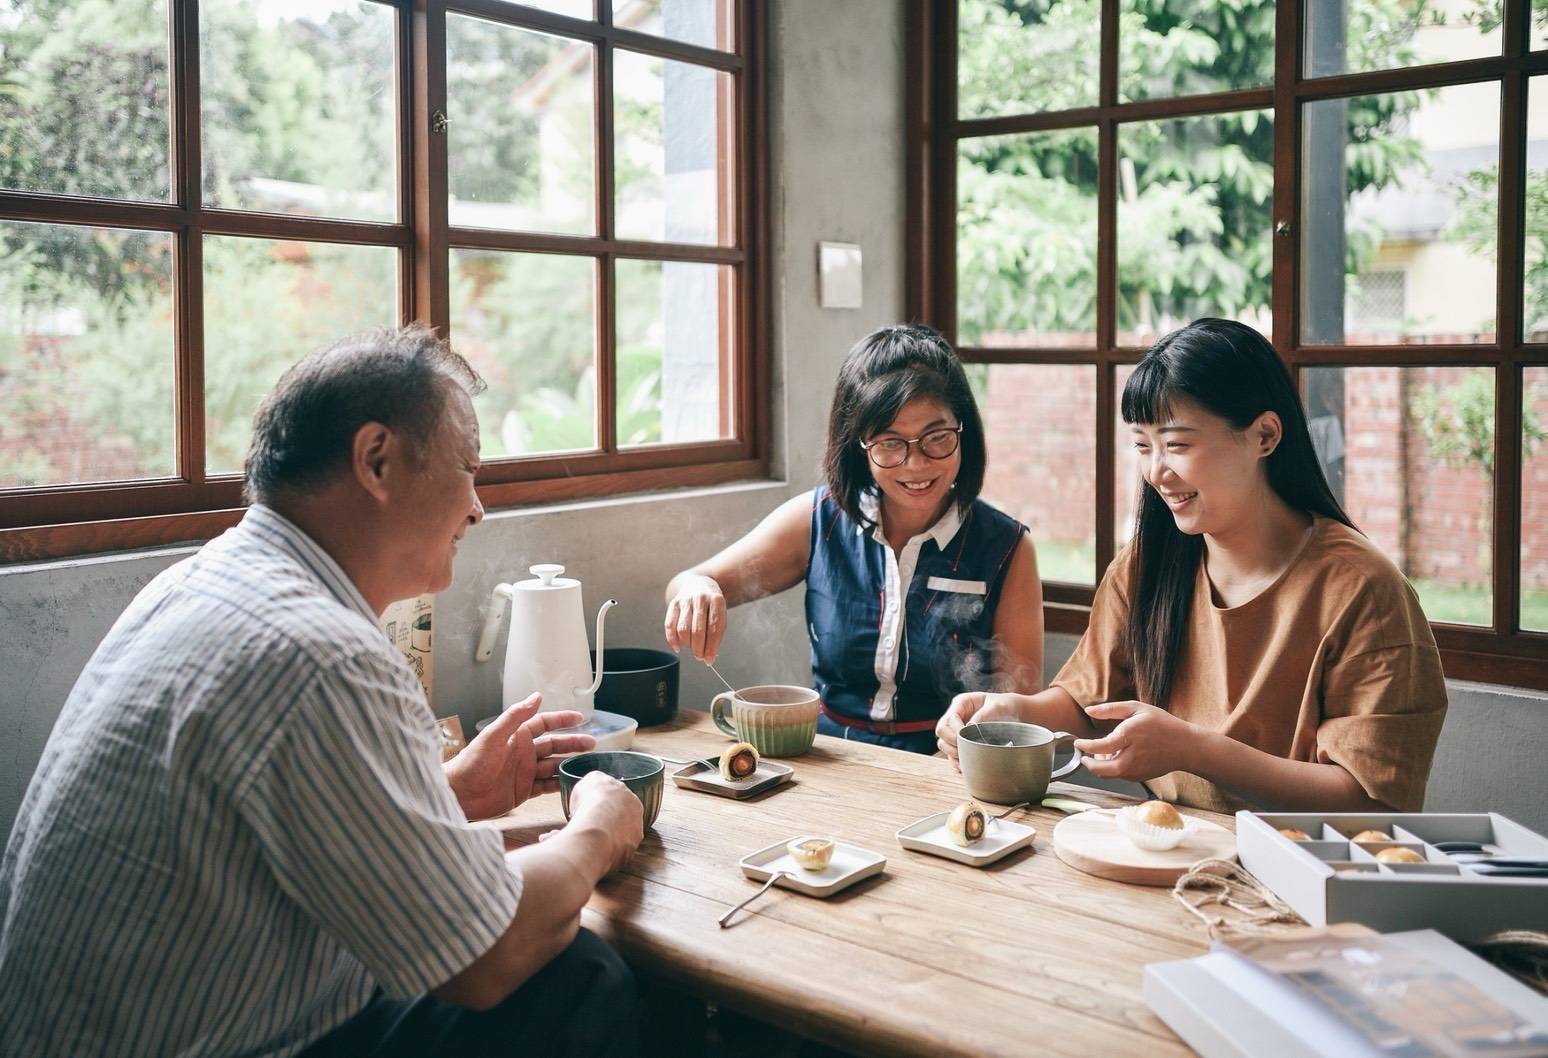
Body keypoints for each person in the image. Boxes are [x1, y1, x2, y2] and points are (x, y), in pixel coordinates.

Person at [0, 326, 645, 1057]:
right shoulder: (321, 653)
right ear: (376, 460)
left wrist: (447, 793)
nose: (477, 507)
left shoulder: (205, 580)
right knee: (580, 974)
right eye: (468, 469)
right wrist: (600, 827)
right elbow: (483, 958)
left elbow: (261, 837)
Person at [938, 318, 1447, 813]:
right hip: (1168, 847)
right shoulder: (1145, 567)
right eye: (1143, 445)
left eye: (1177, 444)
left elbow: (1371, 803)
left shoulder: (1364, 591)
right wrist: (1010, 713)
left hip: (1307, 870)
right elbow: (1090, 708)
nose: (1157, 471)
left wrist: (1193, 750)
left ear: (1265, 436)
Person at [664, 323, 1043, 754]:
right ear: (859, 447)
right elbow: (690, 581)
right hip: (828, 756)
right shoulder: (818, 521)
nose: (916, 465)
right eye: (890, 444)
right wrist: (697, 589)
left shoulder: (1006, 548)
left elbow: (1022, 704)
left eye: (937, 439)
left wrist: (975, 736)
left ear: (964, 432)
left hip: (949, 765)